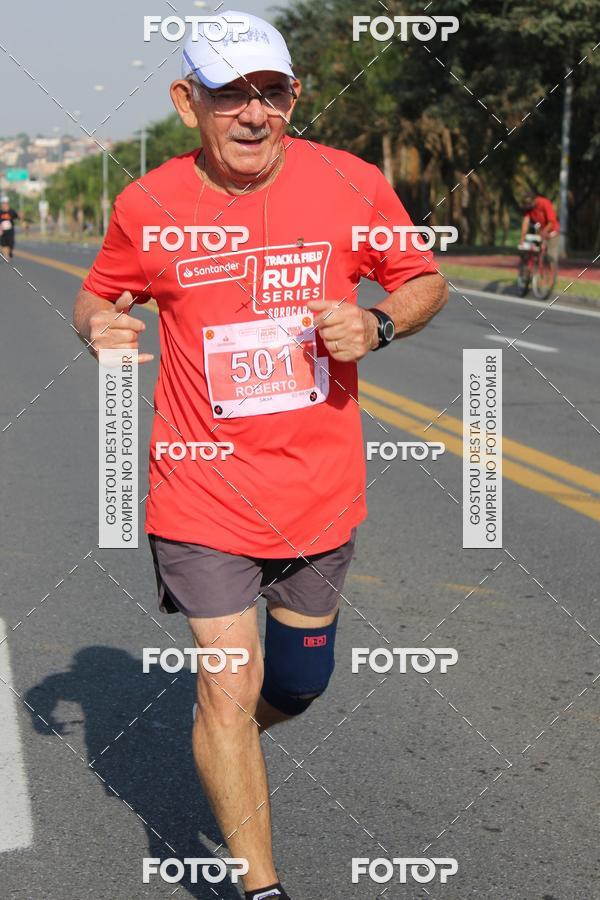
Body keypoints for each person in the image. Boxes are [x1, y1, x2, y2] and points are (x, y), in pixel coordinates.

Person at [73, 11, 448, 898]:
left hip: (317, 491)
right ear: (186, 102)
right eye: (229, 94)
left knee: (302, 681)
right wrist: (101, 328)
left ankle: (222, 734)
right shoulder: (149, 203)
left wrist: (382, 323)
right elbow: (97, 296)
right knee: (226, 687)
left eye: (271, 93)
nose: (253, 113)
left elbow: (425, 278)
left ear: (294, 97)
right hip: (197, 487)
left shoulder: (350, 184)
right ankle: (261, 884)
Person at [519, 191, 560, 264]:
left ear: (534, 200)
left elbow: (552, 221)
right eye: (526, 203)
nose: (528, 205)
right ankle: (530, 271)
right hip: (540, 232)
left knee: (550, 256)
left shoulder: (544, 203)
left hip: (552, 232)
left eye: (529, 203)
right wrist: (522, 239)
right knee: (530, 251)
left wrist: (544, 232)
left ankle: (551, 272)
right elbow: (525, 223)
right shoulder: (528, 207)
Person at [0, 196, 19, 260]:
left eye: (6, 203)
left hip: (10, 230)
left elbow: (17, 217)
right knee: (3, 243)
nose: (4, 205)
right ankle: (6, 255)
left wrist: (20, 216)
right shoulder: (0, 212)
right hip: (2, 230)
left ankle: (9, 253)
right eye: (3, 203)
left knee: (10, 243)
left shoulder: (11, 211)